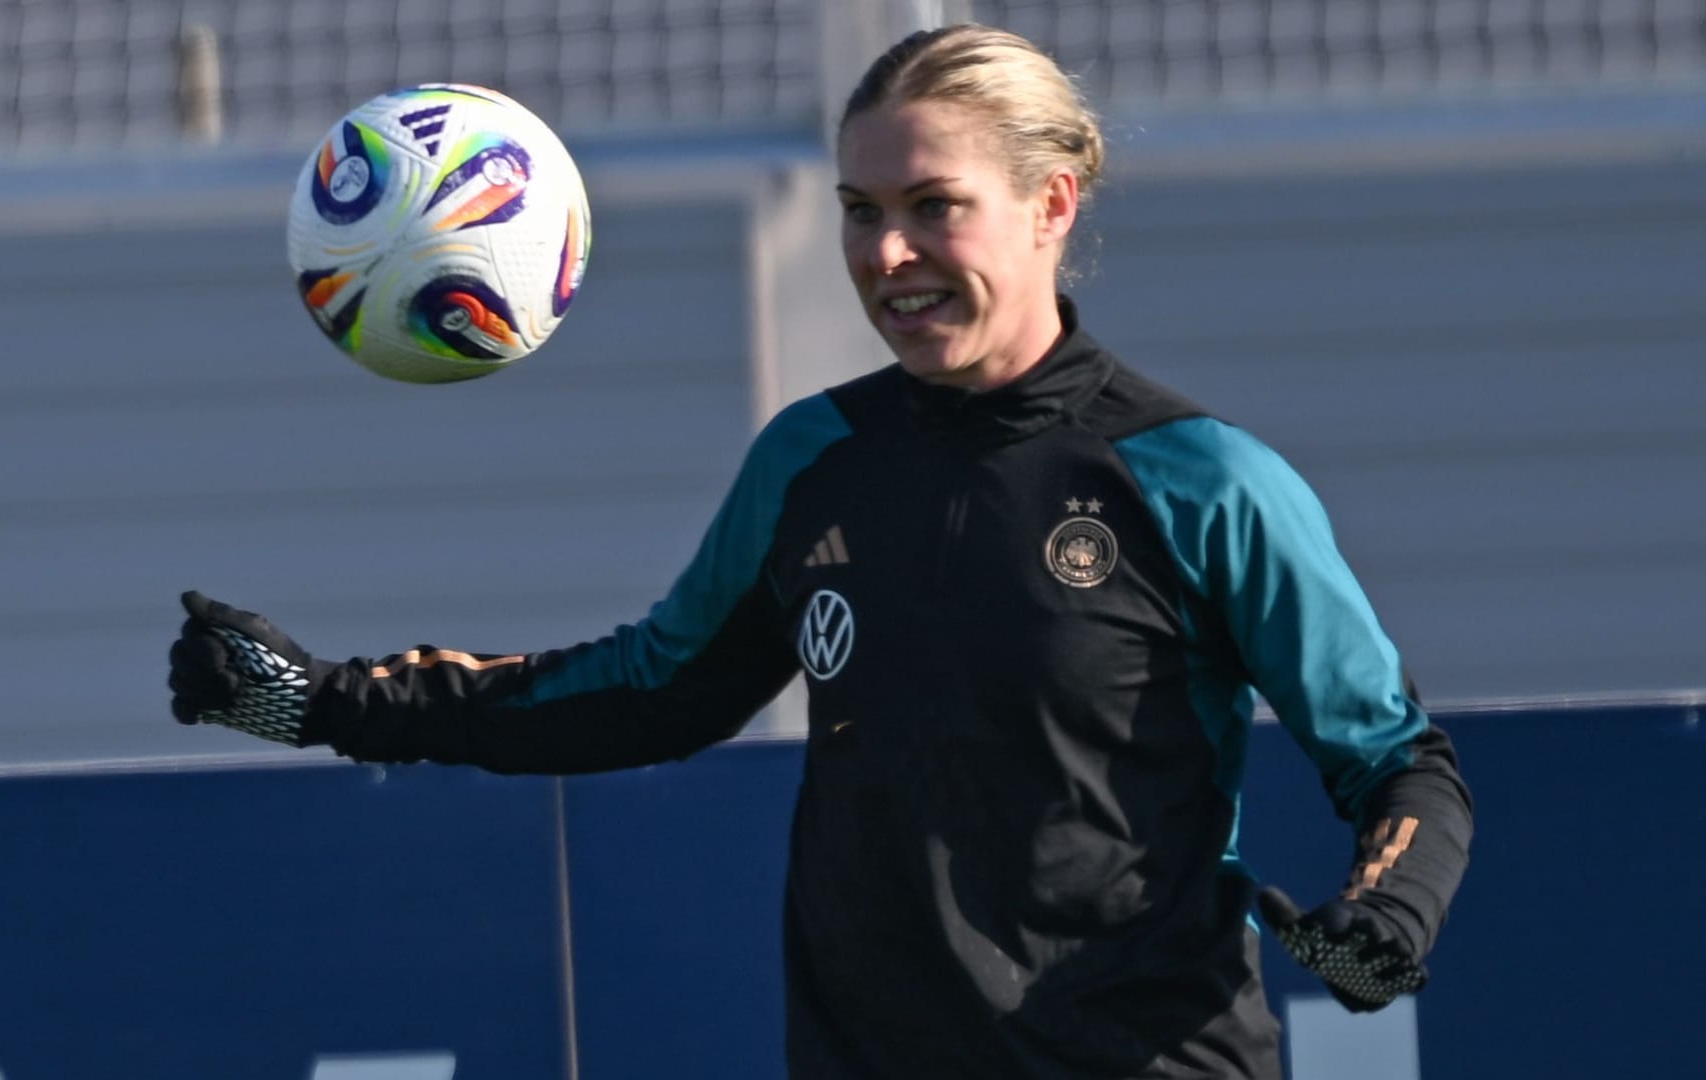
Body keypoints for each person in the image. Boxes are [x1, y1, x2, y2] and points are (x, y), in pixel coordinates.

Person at [169, 24, 1471, 1079]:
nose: (887, 255)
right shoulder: (814, 462)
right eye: (859, 209)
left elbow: (1402, 766)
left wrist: (1388, 920)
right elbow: (654, 687)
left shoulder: (1206, 483)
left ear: (1050, 204)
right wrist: (324, 701)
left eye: (931, 207)